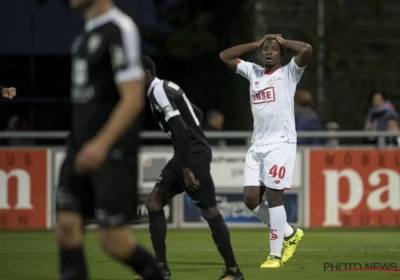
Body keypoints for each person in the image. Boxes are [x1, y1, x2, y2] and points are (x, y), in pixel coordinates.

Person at [55, 1, 164, 280]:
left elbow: (133, 98)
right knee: (66, 227)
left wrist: (101, 144)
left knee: (113, 242)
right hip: (79, 146)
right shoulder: (83, 34)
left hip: (111, 152)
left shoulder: (120, 28)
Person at [140, 55, 244, 280]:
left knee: (210, 210)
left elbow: (181, 131)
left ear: (147, 73)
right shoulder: (166, 87)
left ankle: (234, 271)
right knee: (153, 203)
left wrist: (187, 168)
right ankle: (161, 270)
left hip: (191, 156)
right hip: (185, 153)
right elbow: (196, 113)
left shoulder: (159, 91)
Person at [219, 34, 312, 268]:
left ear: (281, 53)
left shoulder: (289, 73)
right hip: (257, 145)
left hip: (281, 143)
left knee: (273, 197)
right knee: (251, 200)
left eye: (274, 49)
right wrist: (256, 43)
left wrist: (283, 40)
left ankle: (275, 255)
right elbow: (225, 56)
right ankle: (290, 233)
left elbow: (307, 49)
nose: (268, 52)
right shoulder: (254, 72)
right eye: (265, 49)